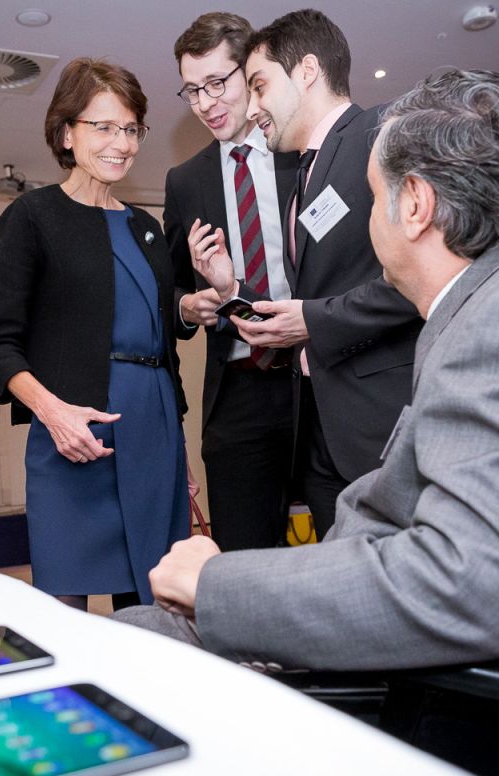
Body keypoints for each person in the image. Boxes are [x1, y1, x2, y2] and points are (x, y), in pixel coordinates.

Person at [117, 68, 499, 695]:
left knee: (132, 646)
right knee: (138, 633)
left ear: (416, 206)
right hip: (460, 661)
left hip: (483, 703)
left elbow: (469, 587)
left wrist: (217, 586)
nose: (371, 219)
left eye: (374, 198)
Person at [186, 9, 422, 535]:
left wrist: (312, 321)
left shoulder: (380, 136)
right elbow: (314, 294)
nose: (252, 107)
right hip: (321, 428)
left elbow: (420, 279)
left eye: (259, 86)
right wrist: (231, 287)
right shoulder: (304, 176)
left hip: (378, 424)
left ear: (308, 71)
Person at [0, 58, 188, 612]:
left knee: (152, 610)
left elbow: (164, 345)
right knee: (63, 610)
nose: (122, 143)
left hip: (153, 433)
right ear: (67, 132)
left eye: (131, 128)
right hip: (73, 438)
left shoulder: (145, 228)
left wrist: (179, 453)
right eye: (104, 126)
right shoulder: (32, 216)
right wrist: (53, 413)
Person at [165, 13, 298, 552]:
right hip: (238, 389)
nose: (205, 103)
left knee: (347, 540)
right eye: (193, 90)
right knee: (242, 560)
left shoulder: (299, 153)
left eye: (217, 83)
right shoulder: (185, 181)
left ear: (251, 73)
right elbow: (170, 289)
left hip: (316, 376)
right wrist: (188, 306)